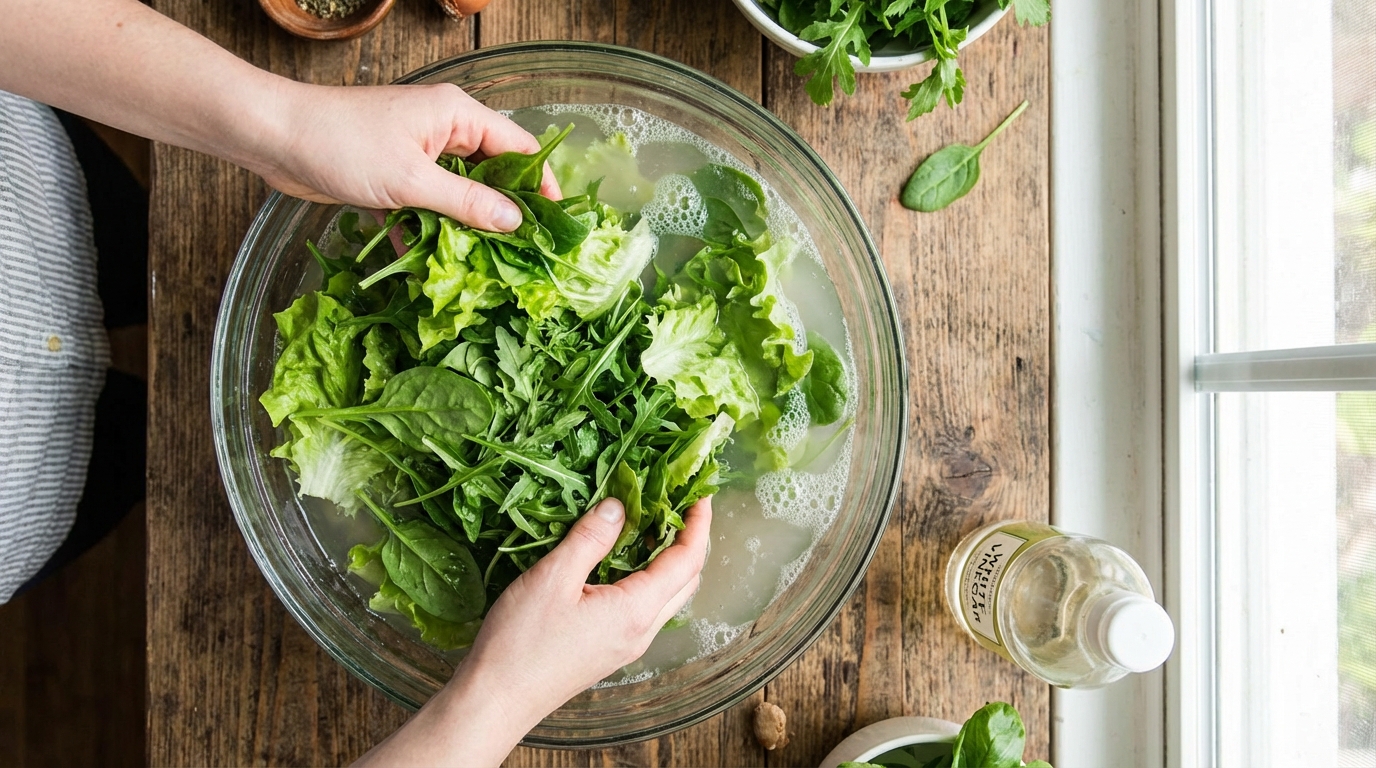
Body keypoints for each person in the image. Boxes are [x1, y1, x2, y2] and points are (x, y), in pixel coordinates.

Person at [0, 1, 713, 765]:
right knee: (123, 469)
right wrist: (497, 698)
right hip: (37, 502)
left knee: (125, 416)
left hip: (37, 190)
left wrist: (283, 126)